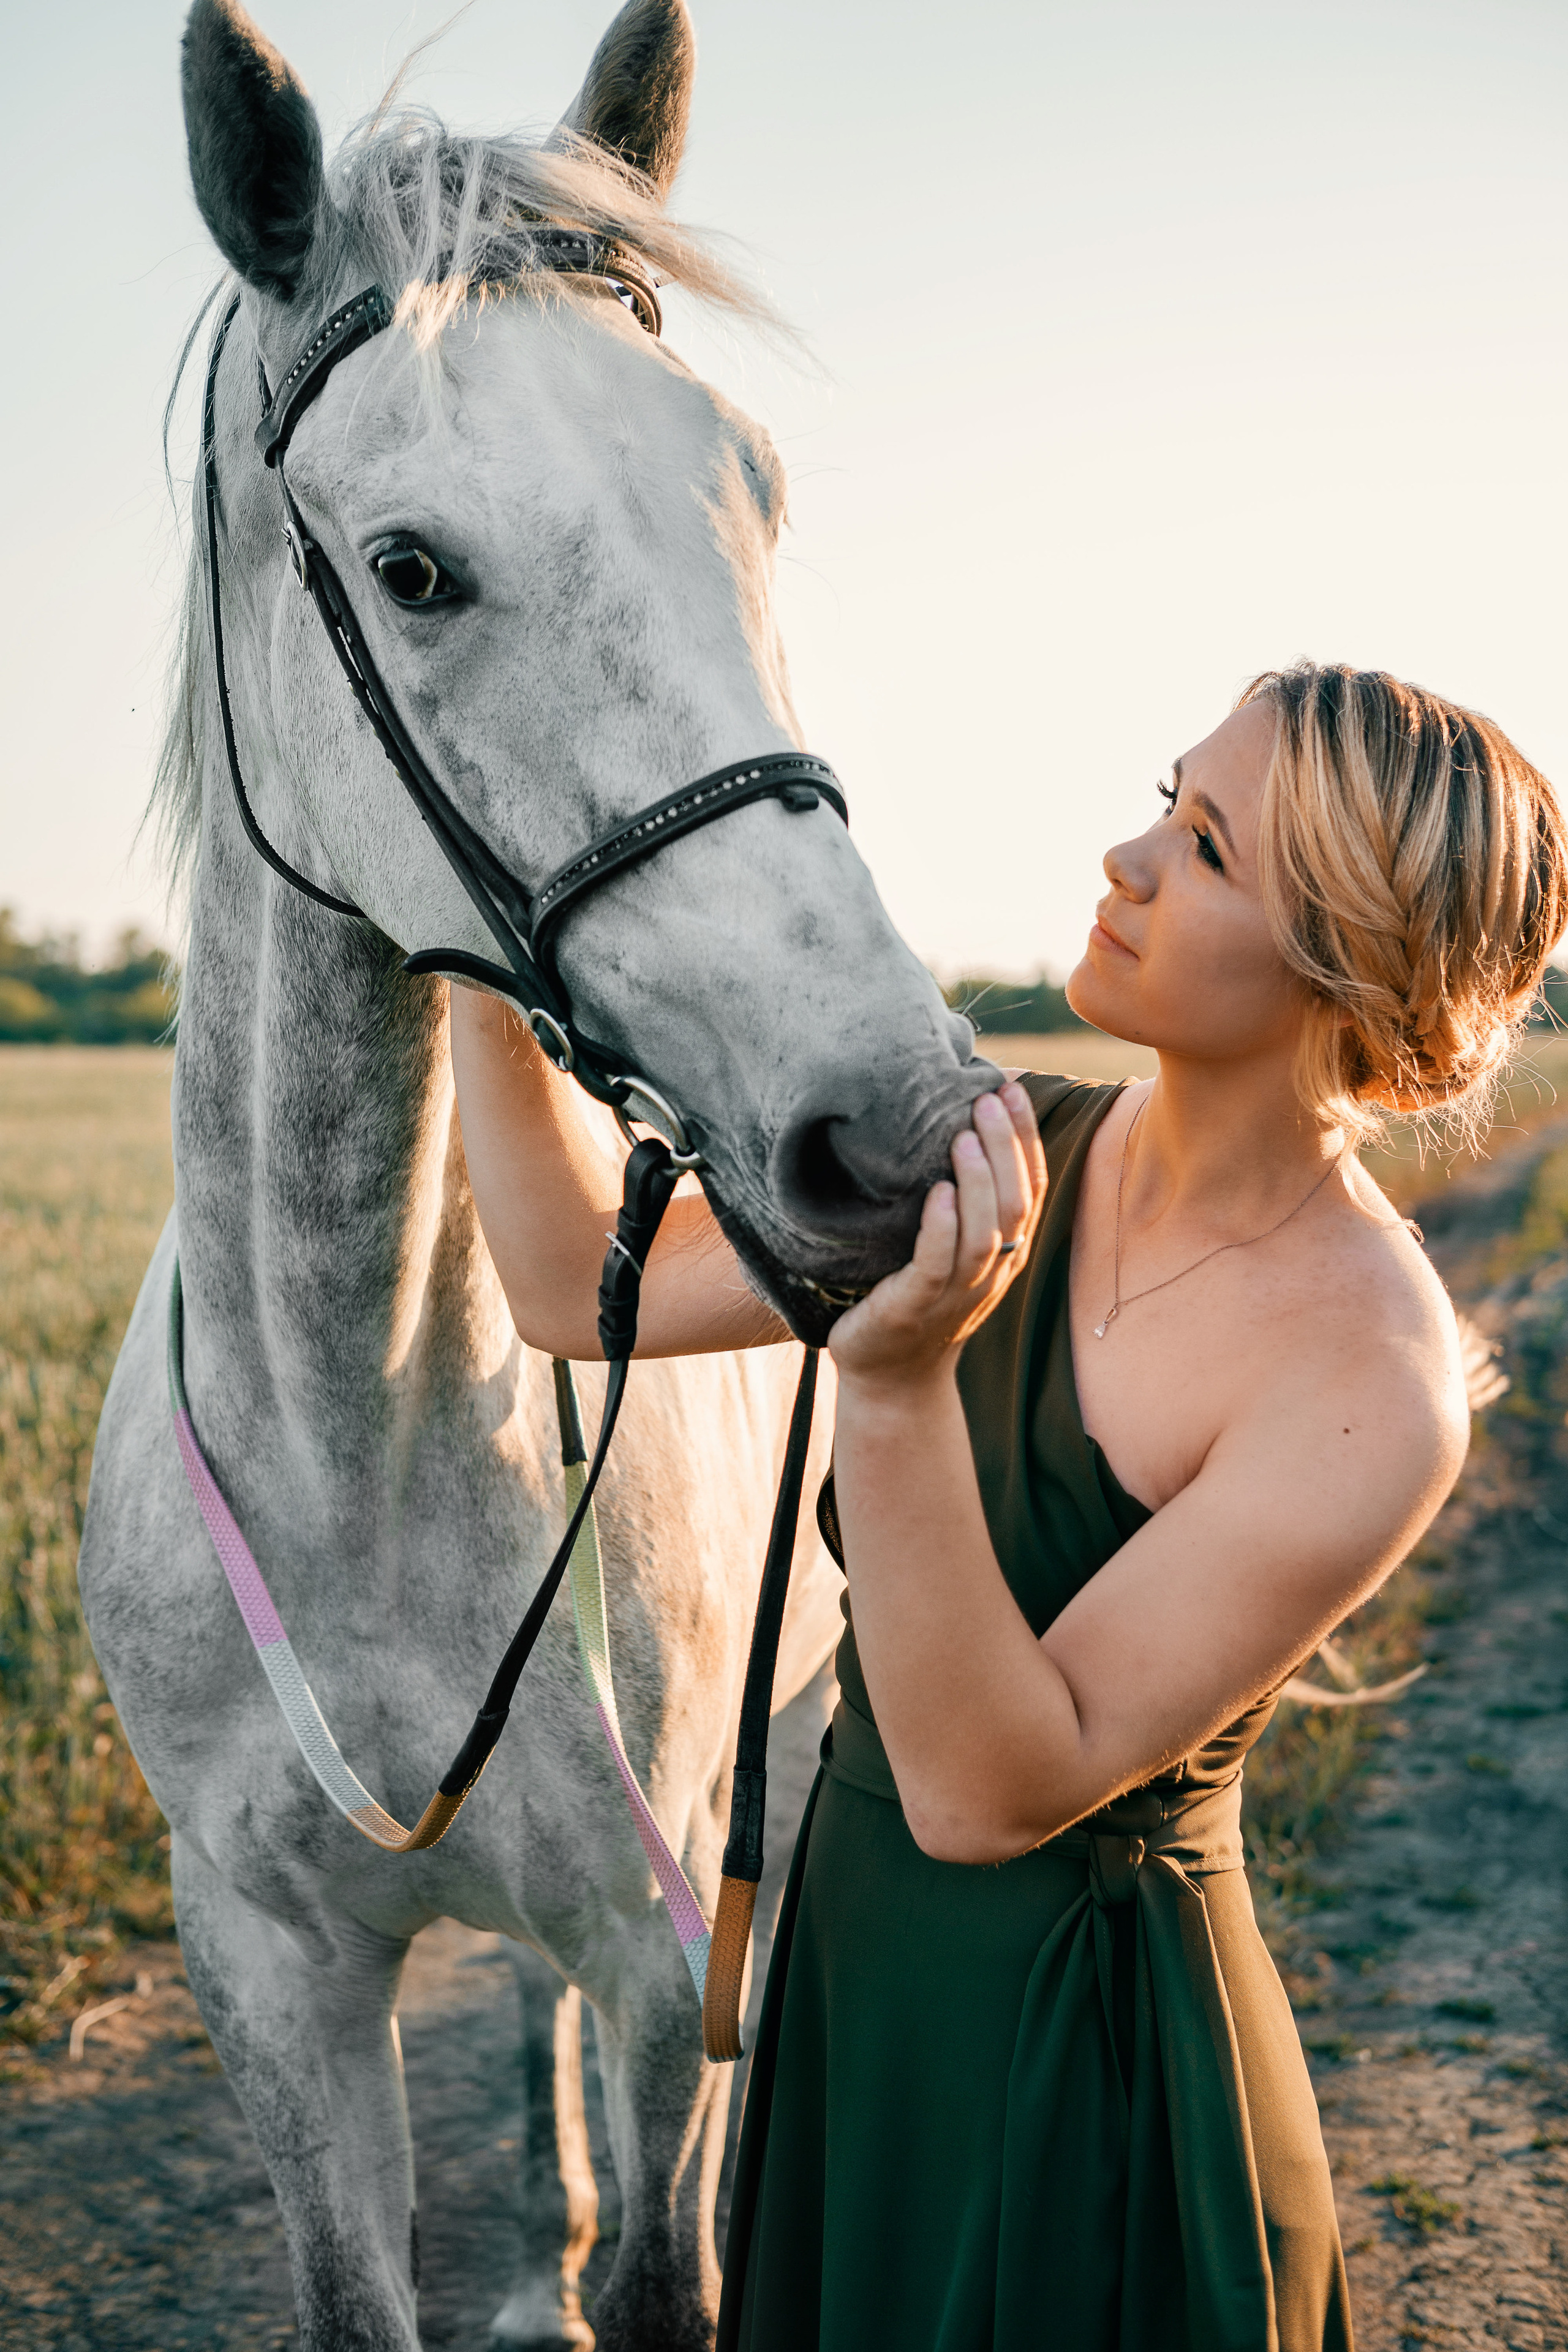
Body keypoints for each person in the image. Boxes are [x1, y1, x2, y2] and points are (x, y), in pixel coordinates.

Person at [449, 662, 1567, 2351]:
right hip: (859, 1989)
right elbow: (563, 1287)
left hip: (1085, 2060)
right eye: (1163, 796)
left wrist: (898, 1389)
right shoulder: (1003, 1150)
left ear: (1345, 965)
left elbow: (990, 1787)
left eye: (1203, 848)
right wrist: (471, 944)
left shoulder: (1368, 1375)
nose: (1123, 857)